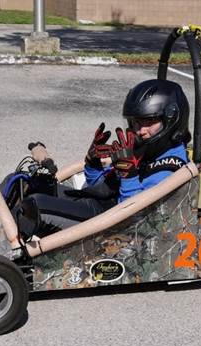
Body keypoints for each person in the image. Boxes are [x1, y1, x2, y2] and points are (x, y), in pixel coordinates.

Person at [17, 78, 191, 237]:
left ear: (171, 120)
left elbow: (138, 221)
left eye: (149, 123)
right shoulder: (148, 152)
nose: (140, 131)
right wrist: (93, 164)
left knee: (36, 206)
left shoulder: (170, 168)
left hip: (114, 229)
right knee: (26, 186)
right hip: (100, 210)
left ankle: (7, 261)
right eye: (137, 123)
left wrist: (129, 176)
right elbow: (102, 188)